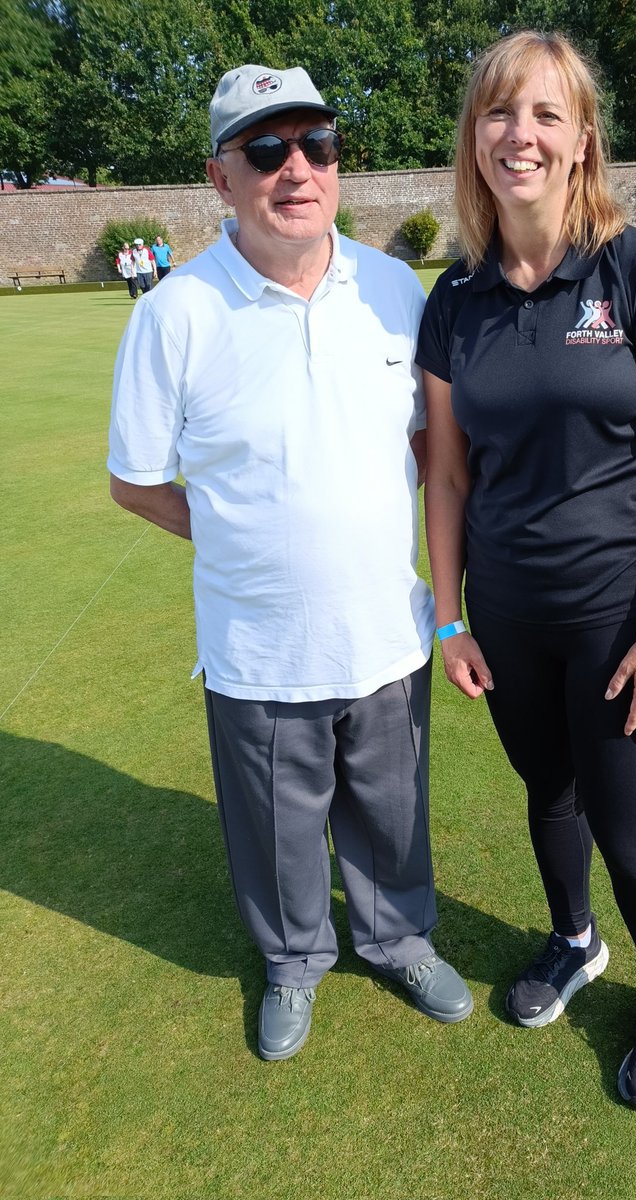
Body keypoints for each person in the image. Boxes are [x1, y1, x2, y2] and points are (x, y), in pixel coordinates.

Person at [108, 62, 473, 1061]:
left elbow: (426, 453)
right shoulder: (174, 313)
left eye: (316, 144)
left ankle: (398, 937)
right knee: (275, 833)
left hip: (385, 633)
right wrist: (237, 534)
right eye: (265, 150)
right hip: (257, 647)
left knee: (393, 813)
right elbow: (134, 481)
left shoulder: (395, 290)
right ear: (221, 178)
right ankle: (294, 961)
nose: (296, 168)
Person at [417, 31, 636, 1112]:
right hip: (505, 615)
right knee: (549, 794)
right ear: (475, 139)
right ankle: (574, 941)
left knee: (628, 829)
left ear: (583, 138)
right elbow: (444, 481)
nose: (520, 135)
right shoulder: (454, 299)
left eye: (544, 114)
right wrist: (449, 621)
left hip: (619, 616)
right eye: (499, 113)